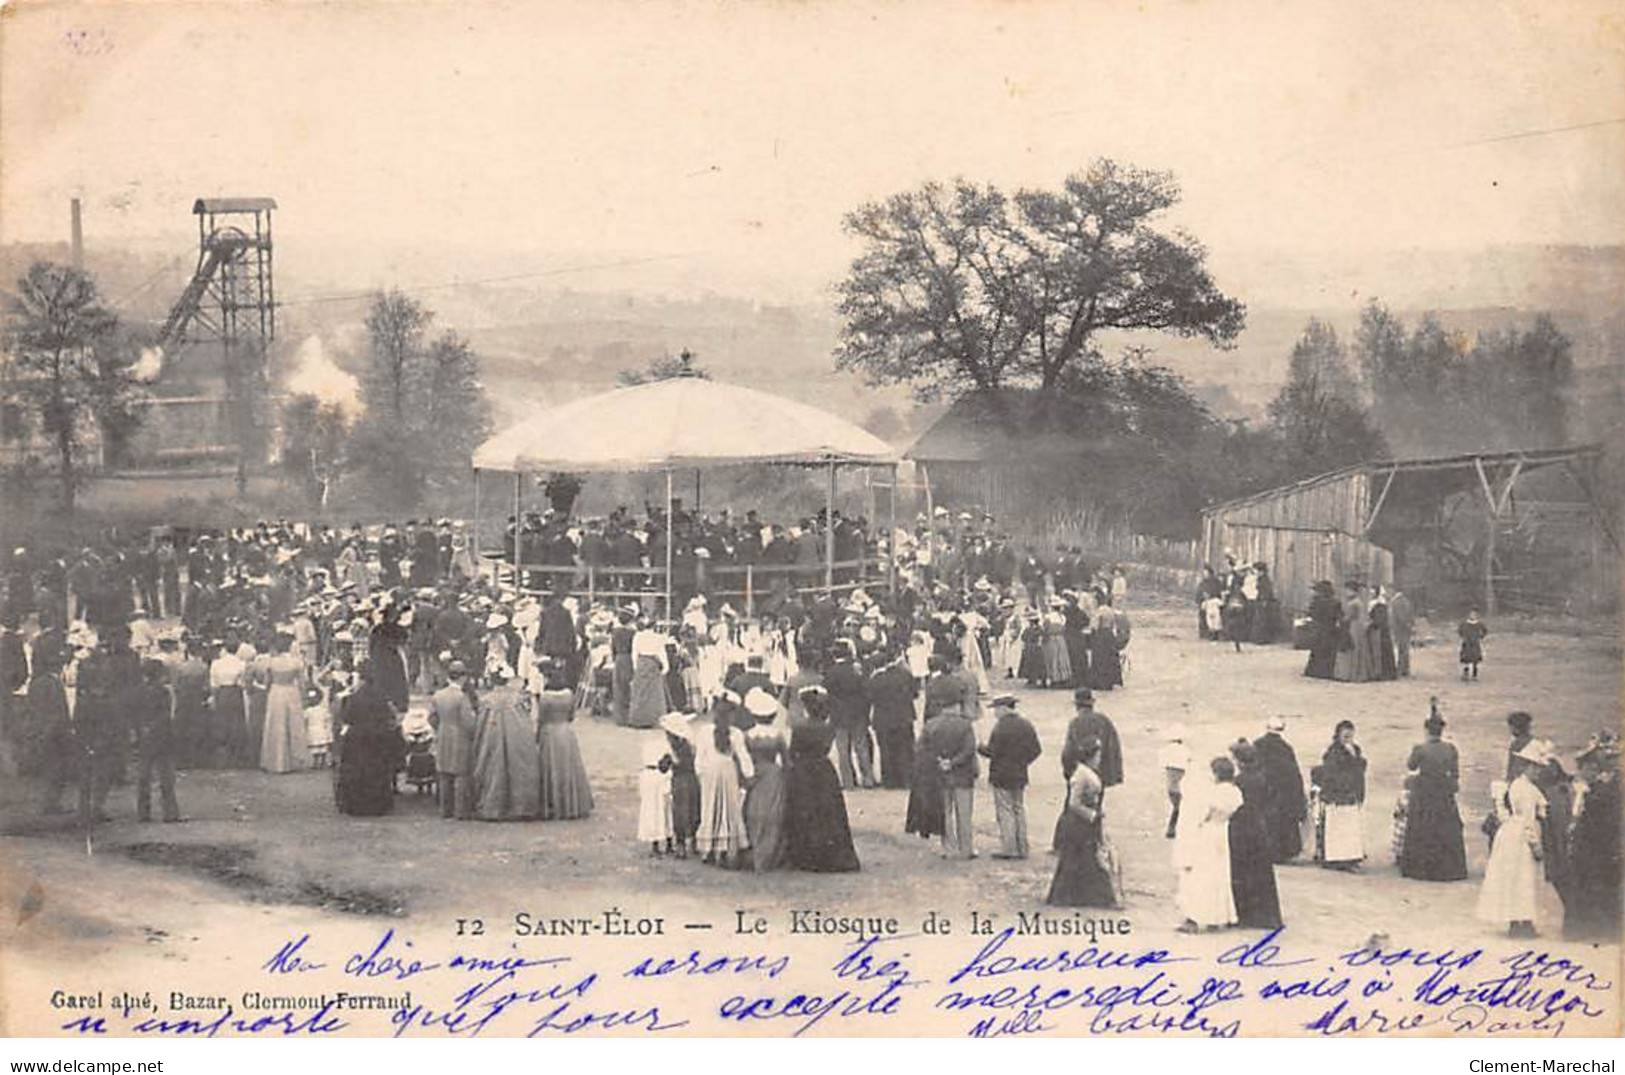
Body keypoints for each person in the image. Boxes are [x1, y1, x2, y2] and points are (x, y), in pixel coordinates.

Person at [1477, 740, 1553, 937]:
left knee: (1517, 878)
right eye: (1534, 767)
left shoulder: (1521, 785)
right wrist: (1535, 844)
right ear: (1526, 766)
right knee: (1524, 878)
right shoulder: (1525, 789)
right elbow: (1527, 819)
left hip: (1511, 834)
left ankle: (1519, 921)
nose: (1537, 771)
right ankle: (1522, 922)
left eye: (1538, 767)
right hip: (1521, 837)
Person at [784, 686, 859, 872]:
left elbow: (793, 752)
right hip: (824, 770)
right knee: (828, 812)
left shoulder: (800, 728)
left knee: (806, 812)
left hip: (804, 771)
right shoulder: (828, 728)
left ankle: (807, 856)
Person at [1046, 735, 1118, 908]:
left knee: (1081, 860)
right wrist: (1092, 815)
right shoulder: (1081, 775)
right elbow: (1073, 803)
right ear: (1090, 756)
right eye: (1097, 756)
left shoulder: (1085, 772)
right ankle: (1094, 898)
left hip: (1084, 823)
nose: (1099, 759)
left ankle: (1078, 897)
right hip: (1079, 824)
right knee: (1083, 859)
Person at [1398, 704, 1467, 881]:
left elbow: (1411, 765)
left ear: (1427, 731)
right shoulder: (1451, 748)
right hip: (1443, 791)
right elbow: (1455, 772)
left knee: (1422, 826)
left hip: (1425, 790)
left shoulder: (1420, 749)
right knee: (1444, 827)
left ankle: (1420, 867)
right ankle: (1447, 868)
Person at [1564, 733, 1621, 941]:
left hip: (1596, 845)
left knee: (1593, 885)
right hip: (1593, 844)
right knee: (1593, 885)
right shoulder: (1594, 788)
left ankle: (1592, 929)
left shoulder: (1598, 790)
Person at [1176, 758, 1243, 932]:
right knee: (1220, 875)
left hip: (1207, 834)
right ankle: (1218, 916)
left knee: (1201, 875)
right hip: (1222, 832)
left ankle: (1196, 916)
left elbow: (1202, 814)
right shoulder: (1235, 792)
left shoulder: (1213, 793)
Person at [470, 662, 541, 821]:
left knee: (493, 766)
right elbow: (526, 720)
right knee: (517, 765)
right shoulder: (518, 699)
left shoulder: (486, 701)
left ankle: (494, 806)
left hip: (492, 736)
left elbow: (480, 723)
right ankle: (520, 806)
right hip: (515, 735)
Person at [335, 660, 405, 817]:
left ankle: (357, 804)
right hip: (378, 737)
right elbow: (389, 716)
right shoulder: (381, 696)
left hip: (358, 738)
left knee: (358, 772)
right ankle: (377, 804)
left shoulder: (354, 697)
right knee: (377, 771)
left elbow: (347, 717)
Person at [1228, 740, 1284, 928]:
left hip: (1242, 829)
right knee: (1261, 872)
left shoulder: (1240, 782)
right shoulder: (1262, 777)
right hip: (1259, 827)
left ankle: (1247, 915)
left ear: (1240, 761)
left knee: (1242, 871)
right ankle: (1266, 916)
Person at [980, 695, 1041, 859]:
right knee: (1019, 809)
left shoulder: (1000, 728)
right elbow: (1036, 750)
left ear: (1003, 708)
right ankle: (1022, 847)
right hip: (1020, 773)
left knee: (1005, 811)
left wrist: (980, 748)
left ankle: (1009, 848)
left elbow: (991, 751)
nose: (995, 713)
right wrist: (1023, 762)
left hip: (1001, 774)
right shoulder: (1026, 725)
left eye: (996, 709)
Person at [695, 695, 754, 867]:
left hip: (709, 772)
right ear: (731, 716)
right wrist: (749, 775)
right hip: (728, 772)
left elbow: (699, 757)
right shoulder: (735, 734)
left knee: (709, 807)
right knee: (728, 808)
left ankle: (708, 849)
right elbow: (743, 757)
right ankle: (724, 848)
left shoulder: (704, 731)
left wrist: (700, 774)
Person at [535, 660, 593, 821]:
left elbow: (541, 718)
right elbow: (571, 716)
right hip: (566, 732)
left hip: (550, 732)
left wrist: (537, 736)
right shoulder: (569, 694)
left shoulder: (545, 697)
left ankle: (553, 805)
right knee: (569, 768)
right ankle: (571, 804)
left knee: (551, 769)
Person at [925, 689, 978, 860]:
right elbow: (969, 749)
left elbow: (922, 749)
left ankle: (948, 848)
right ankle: (966, 849)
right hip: (962, 775)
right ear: (956, 706)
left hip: (939, 775)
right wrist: (953, 762)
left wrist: (939, 761)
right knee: (964, 814)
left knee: (945, 813)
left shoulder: (930, 725)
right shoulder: (965, 725)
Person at [741, 688, 789, 872]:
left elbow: (744, 759)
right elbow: (785, 760)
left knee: (754, 812)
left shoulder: (748, 735)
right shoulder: (777, 735)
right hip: (774, 775)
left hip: (755, 773)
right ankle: (771, 854)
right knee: (774, 814)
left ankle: (755, 852)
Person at [133, 659, 182, 823]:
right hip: (162, 735)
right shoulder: (163, 692)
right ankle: (170, 812)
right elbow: (166, 714)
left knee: (144, 775)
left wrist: (141, 729)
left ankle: (143, 812)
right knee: (166, 775)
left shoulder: (138, 691)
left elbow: (134, 714)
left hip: (144, 735)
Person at [1252, 716, 1307, 863]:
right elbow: (1294, 775)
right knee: (1283, 823)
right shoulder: (1286, 748)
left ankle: (1267, 852)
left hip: (1265, 791)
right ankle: (1283, 853)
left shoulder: (1258, 745)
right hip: (1284, 794)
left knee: (1267, 822)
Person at [1314, 720, 1367, 870]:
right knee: (1338, 828)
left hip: (1350, 794)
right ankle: (1335, 858)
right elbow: (1331, 773)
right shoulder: (1333, 752)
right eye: (1345, 736)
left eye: (1350, 736)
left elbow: (1360, 769)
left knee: (1349, 828)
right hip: (1337, 796)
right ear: (1338, 736)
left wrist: (1355, 757)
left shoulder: (1356, 750)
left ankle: (1350, 857)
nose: (1348, 739)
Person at [428, 661, 477, 819]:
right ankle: (460, 811)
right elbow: (469, 722)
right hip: (459, 735)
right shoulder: (462, 697)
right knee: (461, 774)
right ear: (462, 677)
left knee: (444, 774)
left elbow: (432, 718)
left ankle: (445, 810)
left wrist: (440, 728)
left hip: (443, 734)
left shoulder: (438, 695)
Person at [825, 640, 875, 790]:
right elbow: (866, 691)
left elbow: (828, 695)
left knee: (843, 750)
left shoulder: (831, 672)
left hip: (839, 715)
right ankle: (868, 778)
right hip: (857, 713)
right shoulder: (856, 669)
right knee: (861, 746)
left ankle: (848, 782)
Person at [867, 649, 917, 789]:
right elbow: (915, 693)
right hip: (904, 717)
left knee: (886, 750)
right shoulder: (905, 674)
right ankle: (907, 778)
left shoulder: (875, 678)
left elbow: (869, 698)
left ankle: (890, 781)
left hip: (883, 719)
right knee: (905, 748)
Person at [259, 633, 308, 773]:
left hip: (276, 692)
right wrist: (304, 698)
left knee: (276, 725)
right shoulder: (296, 662)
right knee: (292, 725)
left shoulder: (271, 662)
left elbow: (267, 682)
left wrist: (270, 688)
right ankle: (292, 761)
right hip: (291, 691)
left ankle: (275, 761)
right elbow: (303, 683)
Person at [639, 716, 677, 856]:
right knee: (661, 810)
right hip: (657, 776)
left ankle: (663, 842)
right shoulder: (664, 743)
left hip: (654, 776)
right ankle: (663, 843)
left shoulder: (650, 742)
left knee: (660, 810)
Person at [627, 620, 669, 729]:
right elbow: (661, 653)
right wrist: (665, 667)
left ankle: (638, 719)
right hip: (652, 663)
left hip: (641, 662)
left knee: (640, 692)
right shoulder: (657, 638)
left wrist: (635, 666)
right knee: (653, 692)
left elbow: (634, 653)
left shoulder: (638, 636)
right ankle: (652, 719)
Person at [1159, 724, 1191, 840]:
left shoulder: (1165, 751)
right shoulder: (1185, 750)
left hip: (1170, 783)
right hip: (1182, 781)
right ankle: (1173, 828)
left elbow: (1162, 765)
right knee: (1180, 807)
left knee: (1176, 806)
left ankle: (1172, 828)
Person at [1389, 587, 1415, 677]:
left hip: (1400, 628)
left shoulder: (1397, 602)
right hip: (1404, 628)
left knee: (1402, 648)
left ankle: (1402, 669)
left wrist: (1405, 624)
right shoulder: (1404, 600)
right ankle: (1405, 668)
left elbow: (1400, 617)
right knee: (1404, 648)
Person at [1458, 608, 1488, 681]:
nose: (1473, 616)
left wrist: (1481, 637)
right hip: (1466, 643)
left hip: (1475, 643)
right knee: (1466, 658)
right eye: (1471, 614)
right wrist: (1463, 637)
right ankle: (1466, 673)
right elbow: (1459, 631)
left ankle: (1475, 675)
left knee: (1476, 659)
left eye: (1474, 614)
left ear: (1477, 615)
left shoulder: (1479, 624)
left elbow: (1485, 631)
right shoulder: (1464, 623)